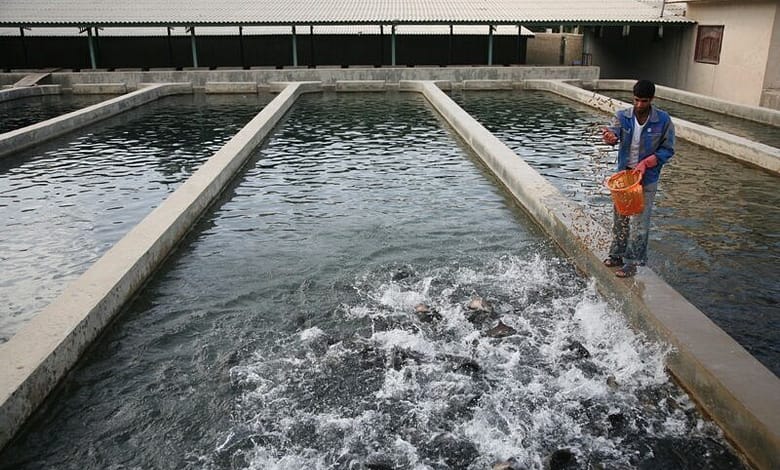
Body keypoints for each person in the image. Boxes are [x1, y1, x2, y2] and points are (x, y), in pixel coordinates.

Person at [601, 79, 675, 278]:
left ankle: (633, 262)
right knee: (620, 218)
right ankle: (616, 255)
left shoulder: (663, 120)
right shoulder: (622, 116)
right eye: (636, 100)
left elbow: (668, 150)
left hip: (647, 179)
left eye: (644, 101)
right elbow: (613, 133)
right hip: (625, 178)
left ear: (652, 99)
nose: (640, 105)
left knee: (640, 223)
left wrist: (647, 162)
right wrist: (610, 138)